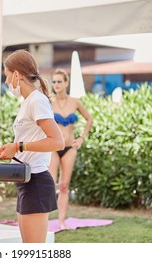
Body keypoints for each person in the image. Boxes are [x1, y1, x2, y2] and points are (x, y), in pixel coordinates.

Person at [0, 49, 65, 243]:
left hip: (37, 182)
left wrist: (17, 146)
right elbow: (27, 143)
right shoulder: (28, 102)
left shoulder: (36, 101)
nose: (6, 82)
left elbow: (57, 141)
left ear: (16, 74)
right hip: (26, 181)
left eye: (6, 76)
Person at [49, 68, 93, 230]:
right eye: (54, 82)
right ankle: (43, 219)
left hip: (69, 148)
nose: (56, 84)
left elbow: (89, 119)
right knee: (50, 183)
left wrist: (81, 138)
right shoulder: (49, 102)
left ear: (66, 83)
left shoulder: (75, 102)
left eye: (59, 81)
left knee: (64, 185)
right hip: (53, 148)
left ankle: (61, 221)